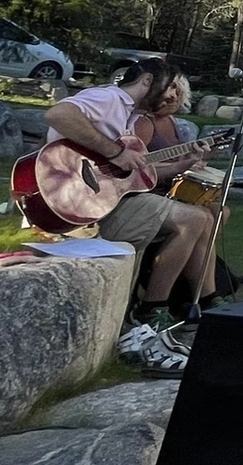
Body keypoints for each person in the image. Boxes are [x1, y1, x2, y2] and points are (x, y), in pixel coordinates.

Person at [42, 58, 216, 359]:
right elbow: (59, 114)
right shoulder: (110, 97)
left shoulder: (128, 116)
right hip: (72, 198)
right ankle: (150, 310)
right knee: (193, 218)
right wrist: (115, 151)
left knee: (205, 214)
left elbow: (137, 176)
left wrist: (187, 164)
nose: (171, 94)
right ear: (148, 81)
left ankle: (185, 302)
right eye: (168, 85)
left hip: (103, 202)